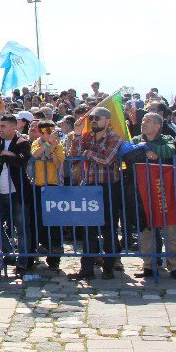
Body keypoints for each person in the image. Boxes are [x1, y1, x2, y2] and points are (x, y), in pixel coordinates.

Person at [124, 112, 176, 280]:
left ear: (158, 125)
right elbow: (128, 152)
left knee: (171, 229)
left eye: (148, 121)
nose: (144, 123)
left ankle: (175, 266)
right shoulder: (137, 139)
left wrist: (148, 149)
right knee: (146, 229)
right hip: (143, 190)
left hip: (164, 189)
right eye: (143, 120)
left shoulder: (166, 138)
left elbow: (170, 150)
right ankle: (149, 265)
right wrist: (144, 148)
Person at [70, 107, 123, 280]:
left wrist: (88, 153)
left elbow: (107, 159)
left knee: (109, 228)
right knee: (88, 228)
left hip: (108, 187)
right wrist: (77, 135)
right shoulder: (87, 137)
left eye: (97, 117)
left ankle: (109, 267)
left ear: (107, 121)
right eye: (91, 117)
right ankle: (86, 269)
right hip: (91, 186)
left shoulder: (114, 138)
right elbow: (76, 156)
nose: (93, 120)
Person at [0, 115, 33, 277]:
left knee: (22, 229)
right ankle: (9, 252)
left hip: (18, 193)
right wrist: (3, 153)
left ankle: (23, 263)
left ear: (13, 127)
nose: (0, 129)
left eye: (3, 126)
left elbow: (20, 161)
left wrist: (5, 155)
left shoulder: (22, 142)